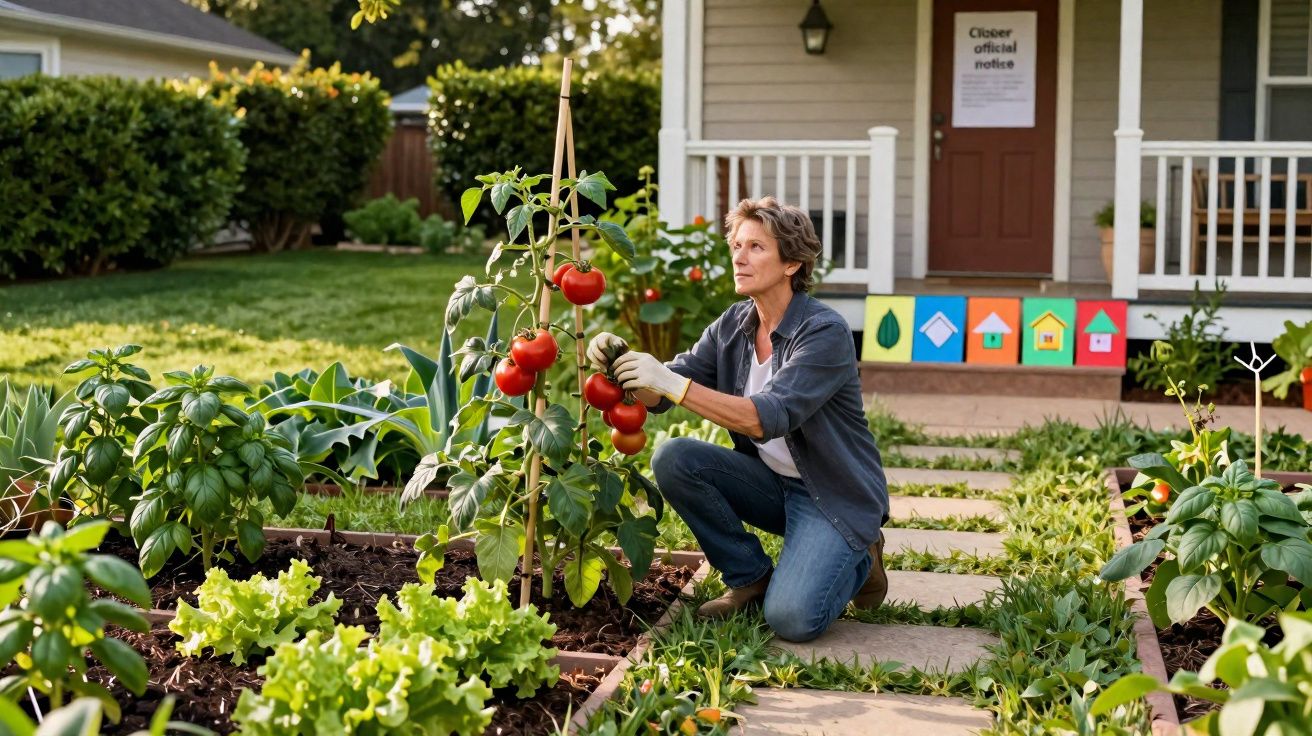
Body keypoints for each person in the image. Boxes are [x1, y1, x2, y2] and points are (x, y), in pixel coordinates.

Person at [587, 197, 888, 643]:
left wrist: (669, 382)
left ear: (792, 263)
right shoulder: (734, 325)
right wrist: (622, 362)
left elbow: (767, 417)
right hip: (771, 485)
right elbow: (664, 392)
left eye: (756, 248)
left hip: (834, 495)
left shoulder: (825, 332)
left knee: (791, 619)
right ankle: (750, 577)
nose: (739, 257)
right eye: (736, 245)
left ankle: (860, 553)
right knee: (675, 457)